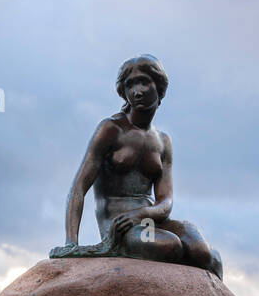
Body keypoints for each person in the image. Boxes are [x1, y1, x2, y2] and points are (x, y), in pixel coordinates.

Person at [52, 54, 222, 278]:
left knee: (205, 253)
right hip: (119, 225)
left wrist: (141, 213)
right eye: (130, 85)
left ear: (159, 87)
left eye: (144, 82)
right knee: (170, 246)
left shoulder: (163, 141)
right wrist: (70, 243)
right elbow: (78, 188)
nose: (137, 91)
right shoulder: (111, 129)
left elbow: (166, 201)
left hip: (151, 219)